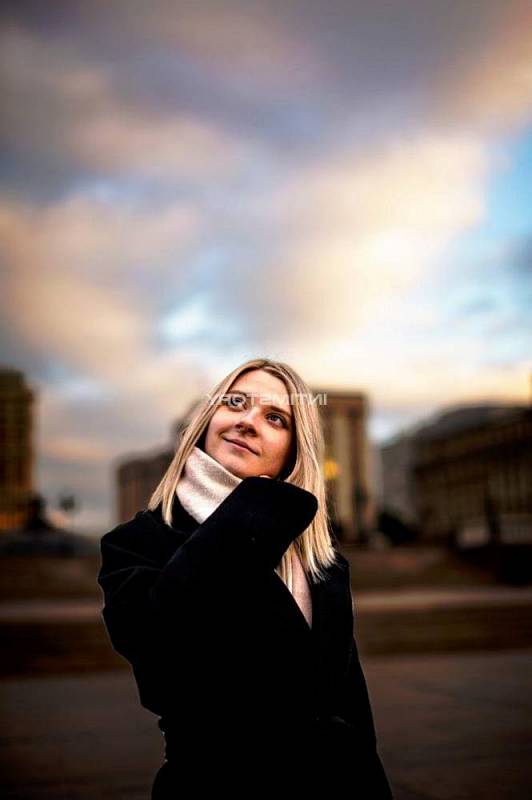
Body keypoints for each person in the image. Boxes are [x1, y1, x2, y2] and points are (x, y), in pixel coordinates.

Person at [97, 357, 393, 798]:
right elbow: (163, 661)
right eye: (235, 403)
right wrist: (250, 503)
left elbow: (351, 708)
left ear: (295, 449)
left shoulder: (322, 564)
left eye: (275, 418)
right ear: (206, 421)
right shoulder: (136, 543)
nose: (248, 421)